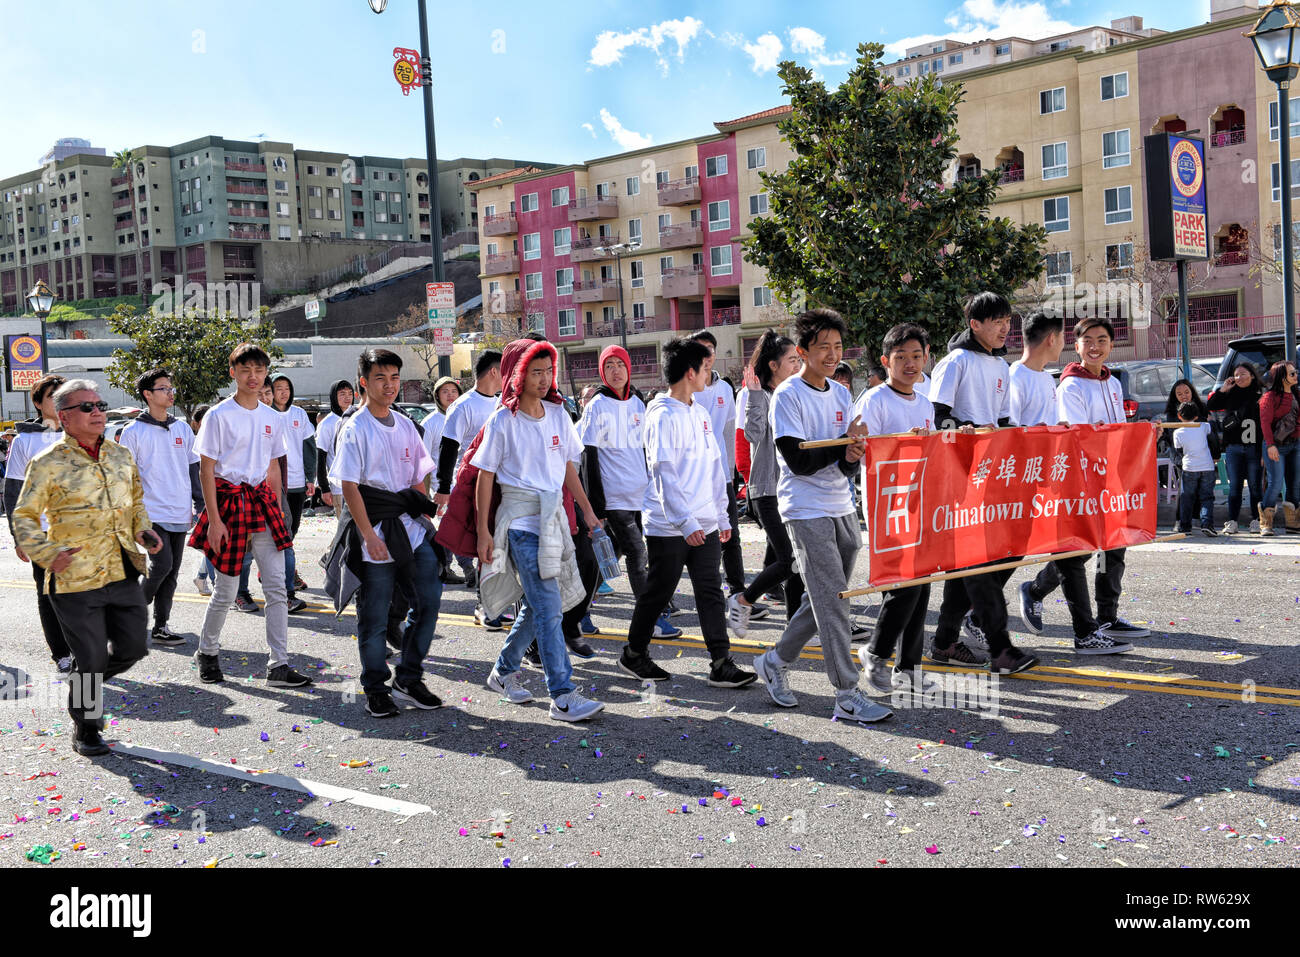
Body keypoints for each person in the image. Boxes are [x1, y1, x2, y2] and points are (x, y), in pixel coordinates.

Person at [752, 308, 893, 724]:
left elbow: (843, 465)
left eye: (836, 346)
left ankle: (774, 660)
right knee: (834, 603)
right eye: (822, 348)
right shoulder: (787, 396)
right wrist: (840, 445)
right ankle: (847, 694)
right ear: (803, 351)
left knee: (826, 598)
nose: (832, 355)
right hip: (804, 508)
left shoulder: (840, 393)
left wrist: (853, 454)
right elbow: (798, 461)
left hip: (842, 505)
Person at [11, 380, 162, 756]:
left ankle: (83, 684)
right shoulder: (47, 463)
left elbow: (136, 501)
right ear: (63, 417)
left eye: (100, 404)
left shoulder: (120, 455)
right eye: (87, 407)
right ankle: (87, 727)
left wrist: (143, 530)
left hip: (120, 568)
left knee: (133, 648)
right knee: (92, 658)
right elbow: (24, 515)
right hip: (74, 577)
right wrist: (46, 553)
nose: (98, 412)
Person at [472, 338, 605, 721]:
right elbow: (485, 477)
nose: (545, 379)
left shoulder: (559, 414)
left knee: (539, 605)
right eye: (536, 371)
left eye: (549, 371)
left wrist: (589, 514)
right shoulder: (502, 420)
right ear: (517, 373)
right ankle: (562, 695)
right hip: (520, 523)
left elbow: (568, 468)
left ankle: (503, 670)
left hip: (553, 520)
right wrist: (483, 531)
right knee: (548, 606)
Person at [614, 338, 756, 687]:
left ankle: (721, 663)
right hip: (669, 525)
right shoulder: (662, 415)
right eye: (706, 367)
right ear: (690, 372)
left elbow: (713, 467)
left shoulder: (700, 412)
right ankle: (634, 654)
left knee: (709, 591)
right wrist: (685, 521)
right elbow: (664, 473)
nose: (710, 373)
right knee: (660, 592)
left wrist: (720, 517)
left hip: (704, 522)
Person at [329, 348, 445, 717]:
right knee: (375, 615)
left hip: (409, 527)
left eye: (394, 377)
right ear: (364, 382)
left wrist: (418, 504)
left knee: (428, 601)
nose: (389, 385)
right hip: (375, 529)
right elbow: (349, 487)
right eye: (380, 378)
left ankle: (408, 676)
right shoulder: (356, 428)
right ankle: (375, 686)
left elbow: (421, 470)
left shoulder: (406, 423)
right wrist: (370, 535)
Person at [189, 343, 312, 688]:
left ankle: (279, 665)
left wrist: (280, 508)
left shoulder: (272, 417)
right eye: (246, 370)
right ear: (233, 373)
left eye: (259, 371)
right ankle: (208, 653)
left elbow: (273, 466)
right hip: (228, 505)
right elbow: (206, 470)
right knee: (226, 590)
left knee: (276, 587)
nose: (253, 377)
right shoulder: (218, 415)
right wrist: (213, 520)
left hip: (262, 504)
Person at [927, 292, 1038, 673]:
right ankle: (1001, 649)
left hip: (994, 475)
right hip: (959, 477)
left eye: (1008, 320)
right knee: (975, 563)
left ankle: (943, 641)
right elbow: (935, 418)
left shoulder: (1000, 366)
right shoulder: (955, 362)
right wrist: (965, 430)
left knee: (1006, 552)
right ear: (975, 323)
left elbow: (1004, 422)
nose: (1006, 327)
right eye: (997, 320)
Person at [1042, 316, 1148, 648]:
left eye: (1102, 340)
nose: (1095, 346)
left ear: (1111, 346)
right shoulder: (1070, 385)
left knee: (1115, 547)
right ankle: (1035, 589)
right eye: (1088, 341)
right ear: (1076, 347)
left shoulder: (1113, 383)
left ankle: (1108, 617)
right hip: (1084, 481)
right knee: (1081, 551)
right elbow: (1079, 436)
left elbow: (1117, 429)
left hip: (1113, 478)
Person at [854, 323, 937, 697]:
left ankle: (910, 667)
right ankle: (876, 652)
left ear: (926, 358)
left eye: (916, 356)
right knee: (903, 585)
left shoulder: (924, 403)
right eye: (900, 357)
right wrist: (906, 444)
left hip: (922, 505)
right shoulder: (874, 401)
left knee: (921, 586)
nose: (909, 364)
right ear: (886, 361)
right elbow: (865, 452)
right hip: (889, 507)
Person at [578, 344, 680, 641]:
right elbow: (588, 457)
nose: (615, 370)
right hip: (614, 497)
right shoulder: (596, 405)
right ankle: (653, 620)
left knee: (609, 558)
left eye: (619, 364)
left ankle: (578, 609)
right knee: (638, 554)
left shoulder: (637, 401)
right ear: (602, 372)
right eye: (608, 366)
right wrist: (595, 508)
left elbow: (647, 448)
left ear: (628, 367)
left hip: (642, 495)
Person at [686, 330, 768, 619]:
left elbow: (729, 433)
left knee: (730, 536)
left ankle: (737, 593)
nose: (706, 357)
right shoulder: (686, 388)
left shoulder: (723, 389)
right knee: (698, 539)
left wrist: (732, 473)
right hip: (694, 481)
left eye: (710, 350)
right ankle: (702, 596)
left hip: (722, 477)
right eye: (700, 350)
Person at [118, 368, 203, 645]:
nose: (170, 393)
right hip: (150, 513)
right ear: (147, 394)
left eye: (170, 387)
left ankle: (161, 626)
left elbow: (194, 468)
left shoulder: (181, 428)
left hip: (180, 510)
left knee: (171, 573)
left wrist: (200, 503)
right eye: (163, 388)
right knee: (161, 564)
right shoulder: (133, 432)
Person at [727, 330, 803, 634]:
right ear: (774, 365)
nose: (798, 365)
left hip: (792, 489)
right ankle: (743, 600)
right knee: (787, 561)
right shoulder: (756, 393)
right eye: (792, 360)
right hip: (766, 490)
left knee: (798, 562)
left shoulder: (796, 394)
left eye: (799, 359)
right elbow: (753, 435)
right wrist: (755, 395)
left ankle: (796, 629)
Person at [3, 373, 72, 672]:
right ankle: (62, 653)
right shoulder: (25, 440)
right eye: (51, 397)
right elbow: (14, 490)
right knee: (49, 591)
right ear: (37, 403)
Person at [269, 374, 316, 608]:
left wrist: (311, 477)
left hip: (297, 481)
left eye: (287, 388)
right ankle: (285, 576)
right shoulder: (266, 414)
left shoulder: (298, 414)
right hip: (276, 483)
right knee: (283, 532)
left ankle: (282, 568)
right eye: (278, 388)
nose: (283, 392)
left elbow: (309, 447)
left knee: (293, 528)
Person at [421, 375, 469, 586]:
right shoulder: (430, 423)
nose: (450, 395)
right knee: (453, 525)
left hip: (463, 481)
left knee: (456, 526)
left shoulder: (463, 415)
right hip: (440, 486)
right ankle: (463, 568)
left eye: (453, 391)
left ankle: (446, 566)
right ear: (437, 396)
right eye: (445, 392)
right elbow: (421, 459)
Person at [1208, 362, 1264, 534]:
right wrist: (1224, 388)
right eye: (1236, 375)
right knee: (1235, 486)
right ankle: (1232, 521)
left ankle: (1256, 520)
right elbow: (1211, 406)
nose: (1239, 378)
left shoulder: (1260, 394)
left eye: (1243, 374)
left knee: (1255, 485)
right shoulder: (1230, 393)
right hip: (1233, 447)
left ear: (1252, 375)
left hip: (1254, 447)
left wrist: (1264, 449)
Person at [1259, 359, 1300, 536]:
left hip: (1296, 444)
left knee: (1296, 484)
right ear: (1281, 377)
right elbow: (1265, 424)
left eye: (1295, 372)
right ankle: (1266, 522)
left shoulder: (1297, 394)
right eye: (1291, 373)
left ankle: (1293, 523)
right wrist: (1270, 445)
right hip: (1275, 445)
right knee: (1276, 483)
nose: (1295, 375)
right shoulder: (1269, 397)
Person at [1174, 402, 1218, 536]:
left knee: (1187, 497)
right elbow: (1214, 439)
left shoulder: (1177, 432)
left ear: (1179, 416)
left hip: (1189, 467)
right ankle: (1207, 524)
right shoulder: (1204, 426)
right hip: (1207, 466)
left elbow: (1178, 450)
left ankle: (1185, 526)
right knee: (1207, 497)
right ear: (1196, 415)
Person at [315, 379, 354, 519]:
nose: (347, 397)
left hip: (359, 485)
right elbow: (321, 457)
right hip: (339, 487)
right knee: (346, 529)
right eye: (342, 394)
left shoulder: (357, 419)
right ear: (334, 397)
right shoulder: (327, 424)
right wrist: (324, 488)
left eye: (350, 393)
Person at [189, 404, 218, 595]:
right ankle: (216, 584)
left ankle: (201, 577)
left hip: (217, 498)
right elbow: (195, 478)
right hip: (204, 502)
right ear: (198, 424)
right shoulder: (194, 446)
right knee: (214, 546)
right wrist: (199, 504)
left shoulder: (216, 440)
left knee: (214, 545)